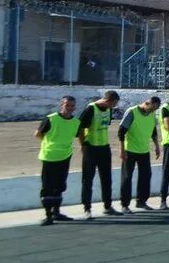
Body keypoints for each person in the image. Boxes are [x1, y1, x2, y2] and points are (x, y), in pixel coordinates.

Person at [36, 95, 81, 225]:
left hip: (65, 156)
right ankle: (48, 214)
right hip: (49, 156)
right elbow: (38, 134)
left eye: (72, 106)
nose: (70, 108)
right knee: (47, 186)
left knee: (60, 185)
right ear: (62, 105)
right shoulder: (51, 119)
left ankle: (57, 212)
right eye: (67, 105)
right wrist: (49, 143)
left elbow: (76, 135)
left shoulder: (76, 122)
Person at [78, 89, 120, 218]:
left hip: (104, 148)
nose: (114, 107)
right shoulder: (90, 109)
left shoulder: (108, 110)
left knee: (106, 178)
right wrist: (83, 144)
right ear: (107, 101)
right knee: (88, 179)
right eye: (113, 104)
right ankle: (87, 208)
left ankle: (107, 206)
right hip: (91, 148)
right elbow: (80, 128)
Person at [119, 96, 162, 212]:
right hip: (130, 150)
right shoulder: (132, 112)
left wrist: (157, 146)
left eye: (155, 109)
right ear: (147, 103)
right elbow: (121, 131)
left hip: (144, 150)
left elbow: (153, 131)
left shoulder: (152, 115)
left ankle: (141, 201)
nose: (153, 111)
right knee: (127, 177)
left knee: (146, 176)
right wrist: (122, 149)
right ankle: (125, 204)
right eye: (152, 108)